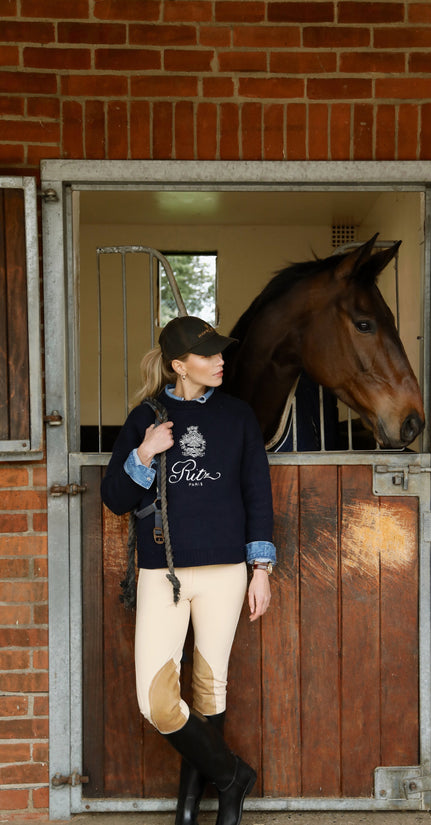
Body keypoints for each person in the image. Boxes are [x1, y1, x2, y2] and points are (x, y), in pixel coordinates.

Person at [101, 315, 276, 825]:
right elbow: (115, 499)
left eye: (222, 352)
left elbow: (256, 495)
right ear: (179, 365)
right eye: (209, 354)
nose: (222, 360)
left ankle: (193, 808)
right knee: (156, 702)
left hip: (226, 572)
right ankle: (233, 776)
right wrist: (144, 453)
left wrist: (260, 568)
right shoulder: (146, 418)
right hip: (164, 573)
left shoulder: (239, 416)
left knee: (209, 688)